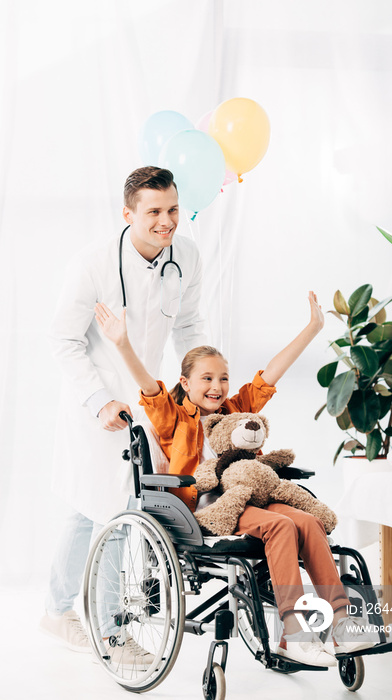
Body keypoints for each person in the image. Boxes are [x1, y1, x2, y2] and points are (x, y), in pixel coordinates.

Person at [94, 291, 374, 668]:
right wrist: (123, 343)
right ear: (186, 383)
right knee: (279, 526)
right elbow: (149, 387)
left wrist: (312, 328)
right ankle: (294, 633)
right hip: (209, 508)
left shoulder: (235, 411)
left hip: (252, 496)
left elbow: (271, 374)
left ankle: (341, 622)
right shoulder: (174, 418)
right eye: (206, 378)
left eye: (223, 378)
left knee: (306, 521)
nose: (217, 386)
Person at [40, 167, 207, 661]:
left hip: (145, 399)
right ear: (128, 213)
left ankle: (54, 610)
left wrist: (201, 386)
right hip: (98, 404)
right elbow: (62, 340)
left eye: (173, 209)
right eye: (153, 211)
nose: (166, 222)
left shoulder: (188, 256)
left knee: (96, 507)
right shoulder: (92, 264)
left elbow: (191, 324)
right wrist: (98, 400)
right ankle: (112, 633)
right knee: (112, 507)